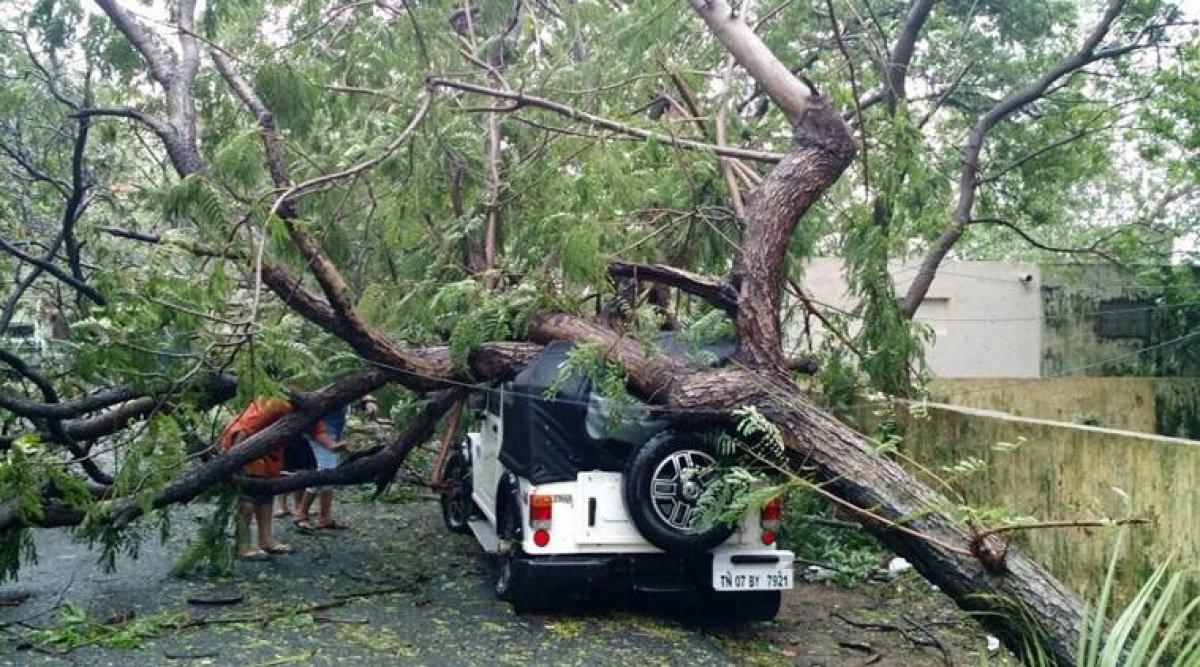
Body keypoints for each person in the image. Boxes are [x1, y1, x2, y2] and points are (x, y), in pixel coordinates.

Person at [219, 397, 341, 559]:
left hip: (269, 447)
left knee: (266, 492)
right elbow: (247, 425)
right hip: (245, 444)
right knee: (248, 495)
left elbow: (316, 429)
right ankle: (243, 545)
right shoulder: (277, 401)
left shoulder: (311, 405)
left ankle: (266, 539)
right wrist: (236, 457)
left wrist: (331, 445)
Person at [296, 405, 350, 531]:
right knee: (325, 471)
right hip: (322, 431)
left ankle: (324, 517)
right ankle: (301, 514)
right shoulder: (331, 386)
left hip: (332, 430)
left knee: (329, 472)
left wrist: (368, 400)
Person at [274, 435, 315, 517]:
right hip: (283, 436)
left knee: (301, 471)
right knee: (283, 471)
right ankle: (282, 506)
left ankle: (298, 506)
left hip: (301, 437)